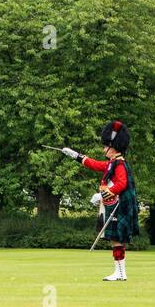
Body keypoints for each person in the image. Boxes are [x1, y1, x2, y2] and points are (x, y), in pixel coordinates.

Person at [61, 120, 138, 281]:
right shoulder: (113, 163)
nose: (104, 149)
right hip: (114, 205)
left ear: (113, 147)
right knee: (114, 240)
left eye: (105, 147)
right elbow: (95, 164)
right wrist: (75, 155)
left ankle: (121, 273)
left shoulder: (119, 165)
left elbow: (121, 184)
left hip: (119, 206)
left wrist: (102, 195)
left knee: (117, 240)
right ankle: (119, 272)